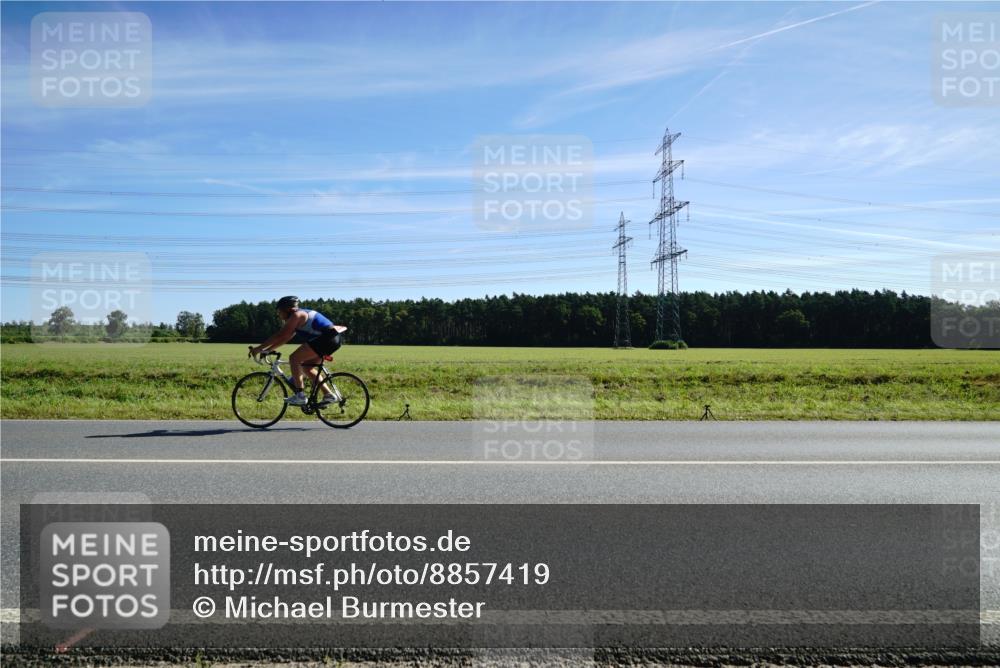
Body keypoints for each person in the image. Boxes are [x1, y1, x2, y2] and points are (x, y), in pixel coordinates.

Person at [249, 296, 344, 406]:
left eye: (279, 311)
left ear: (287, 310)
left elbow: (280, 335)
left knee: (294, 358)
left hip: (327, 339)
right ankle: (329, 395)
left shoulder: (297, 315)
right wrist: (268, 350)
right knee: (307, 368)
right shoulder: (297, 317)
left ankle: (300, 396)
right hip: (331, 339)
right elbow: (286, 337)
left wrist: (259, 348)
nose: (278, 315)